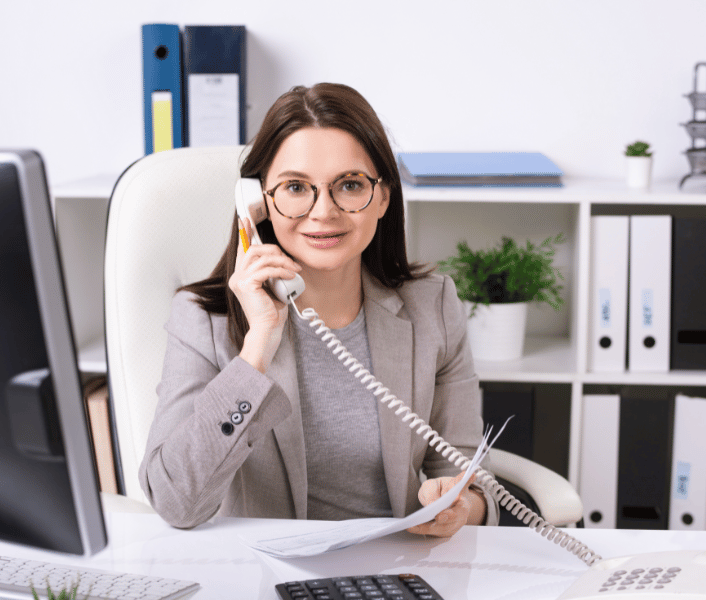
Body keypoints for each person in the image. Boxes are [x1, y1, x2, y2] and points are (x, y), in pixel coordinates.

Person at [140, 82, 500, 536]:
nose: (323, 211)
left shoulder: (433, 306)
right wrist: (257, 349)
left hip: (400, 568)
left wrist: (463, 506)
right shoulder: (203, 320)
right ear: (257, 203)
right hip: (265, 578)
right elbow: (176, 502)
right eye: (296, 187)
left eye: (349, 185)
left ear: (384, 197)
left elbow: (467, 473)